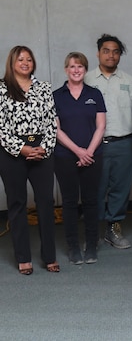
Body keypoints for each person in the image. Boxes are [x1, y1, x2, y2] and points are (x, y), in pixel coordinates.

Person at [0, 46, 58, 274]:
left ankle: (50, 256)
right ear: (12, 62)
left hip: (41, 151)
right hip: (12, 153)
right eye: (20, 59)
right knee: (17, 204)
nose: (25, 62)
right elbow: (1, 127)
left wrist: (43, 148)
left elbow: (52, 122)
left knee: (45, 203)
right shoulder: (2, 88)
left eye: (29, 59)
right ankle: (23, 257)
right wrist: (22, 149)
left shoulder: (43, 88)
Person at [84, 34, 132, 250]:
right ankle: (93, 230)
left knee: (120, 189)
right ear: (98, 53)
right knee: (95, 188)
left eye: (116, 51)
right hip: (95, 146)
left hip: (125, 143)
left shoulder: (130, 82)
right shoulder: (86, 80)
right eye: (106, 50)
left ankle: (113, 228)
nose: (111, 55)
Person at [53, 52, 107, 265]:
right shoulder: (56, 96)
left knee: (91, 201)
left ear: (85, 70)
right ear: (66, 69)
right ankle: (73, 247)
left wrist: (89, 152)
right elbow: (55, 130)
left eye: (80, 67)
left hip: (93, 156)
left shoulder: (95, 94)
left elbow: (101, 126)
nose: (76, 70)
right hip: (65, 156)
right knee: (68, 203)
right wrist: (78, 151)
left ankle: (91, 246)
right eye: (72, 66)